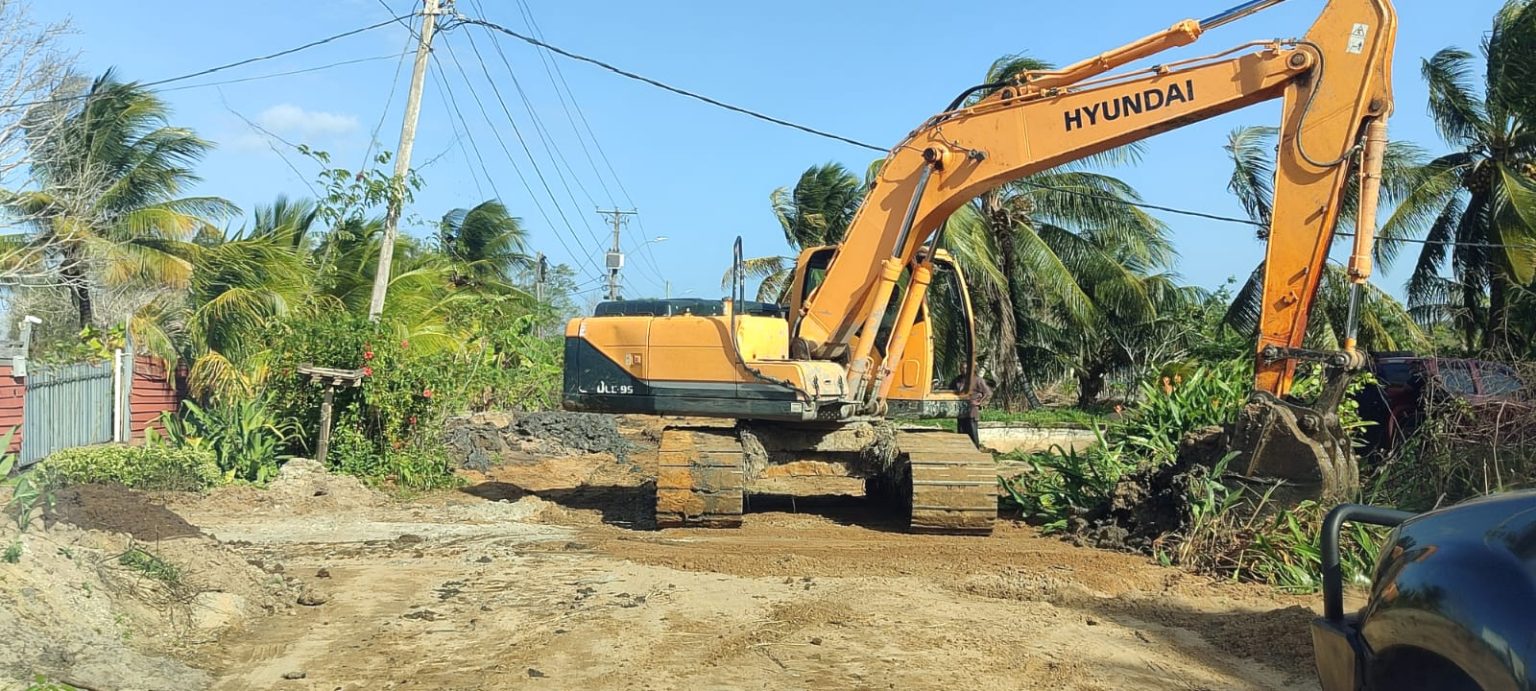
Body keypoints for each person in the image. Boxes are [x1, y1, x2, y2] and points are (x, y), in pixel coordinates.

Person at [955, 370, 993, 446]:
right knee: (961, 432)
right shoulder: (958, 380)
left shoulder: (977, 380)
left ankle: (976, 449)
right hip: (961, 411)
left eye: (966, 368)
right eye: (961, 368)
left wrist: (979, 402)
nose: (963, 370)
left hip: (972, 410)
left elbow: (988, 393)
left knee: (972, 432)